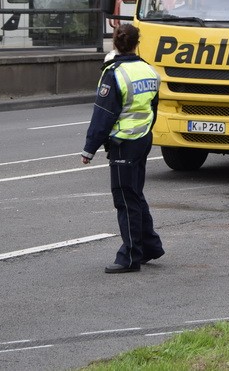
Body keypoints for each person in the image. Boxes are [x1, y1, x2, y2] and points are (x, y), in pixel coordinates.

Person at [81, 23, 164, 274]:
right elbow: (153, 108)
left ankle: (130, 256)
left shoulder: (114, 73)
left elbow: (103, 114)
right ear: (137, 43)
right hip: (142, 140)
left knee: (125, 198)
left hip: (122, 143)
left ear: (115, 44)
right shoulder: (149, 71)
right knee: (135, 194)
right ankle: (149, 246)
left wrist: (89, 149)